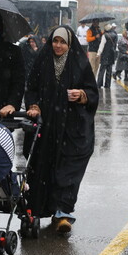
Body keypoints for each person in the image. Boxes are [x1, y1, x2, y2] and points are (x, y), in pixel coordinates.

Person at [24, 26, 98, 233]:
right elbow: (31, 87)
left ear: (69, 44)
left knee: (68, 169)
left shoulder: (80, 63)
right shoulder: (43, 59)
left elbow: (93, 93)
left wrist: (82, 94)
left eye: (63, 42)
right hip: (47, 126)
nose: (58, 45)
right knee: (43, 167)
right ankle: (38, 209)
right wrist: (34, 105)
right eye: (55, 41)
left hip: (71, 127)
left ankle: (63, 212)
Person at [96, 23, 117, 88]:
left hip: (105, 55)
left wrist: (98, 53)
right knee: (109, 70)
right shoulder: (115, 35)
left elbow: (101, 45)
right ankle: (107, 84)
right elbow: (115, 45)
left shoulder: (105, 35)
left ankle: (99, 84)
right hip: (111, 54)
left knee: (102, 70)